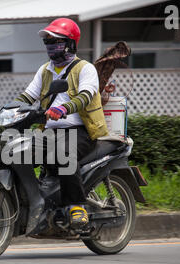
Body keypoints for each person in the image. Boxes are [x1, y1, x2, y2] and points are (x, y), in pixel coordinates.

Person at [15, 18, 109, 229]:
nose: (51, 46)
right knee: (17, 152)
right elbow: (27, 97)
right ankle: (31, 201)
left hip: (81, 131)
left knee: (64, 153)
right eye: (48, 41)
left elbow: (86, 96)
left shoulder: (85, 69)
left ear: (71, 44)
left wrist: (64, 108)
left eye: (56, 41)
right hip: (50, 132)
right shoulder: (45, 70)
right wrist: (6, 111)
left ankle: (77, 207)